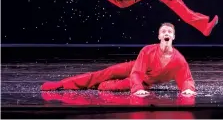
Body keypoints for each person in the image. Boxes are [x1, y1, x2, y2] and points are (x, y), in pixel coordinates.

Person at [41, 23, 196, 96]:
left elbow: (186, 78)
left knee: (110, 86)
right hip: (135, 69)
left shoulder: (179, 60)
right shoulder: (148, 50)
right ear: (159, 36)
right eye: (163, 31)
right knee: (106, 72)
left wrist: (187, 89)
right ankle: (62, 84)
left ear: (173, 36)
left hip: (146, 81)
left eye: (169, 31)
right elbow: (137, 72)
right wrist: (137, 88)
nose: (166, 33)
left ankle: (101, 86)